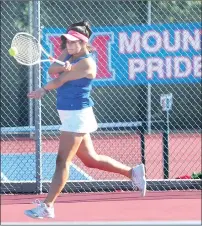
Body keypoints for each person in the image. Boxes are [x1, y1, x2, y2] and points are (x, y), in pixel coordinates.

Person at [24, 20, 146, 219]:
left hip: (77, 115)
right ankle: (133, 172)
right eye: (67, 42)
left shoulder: (87, 63)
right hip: (70, 113)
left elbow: (59, 80)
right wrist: (63, 64)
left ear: (83, 43)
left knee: (62, 161)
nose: (69, 45)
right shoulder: (69, 55)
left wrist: (43, 89)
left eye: (73, 42)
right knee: (91, 160)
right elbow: (52, 69)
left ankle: (48, 205)